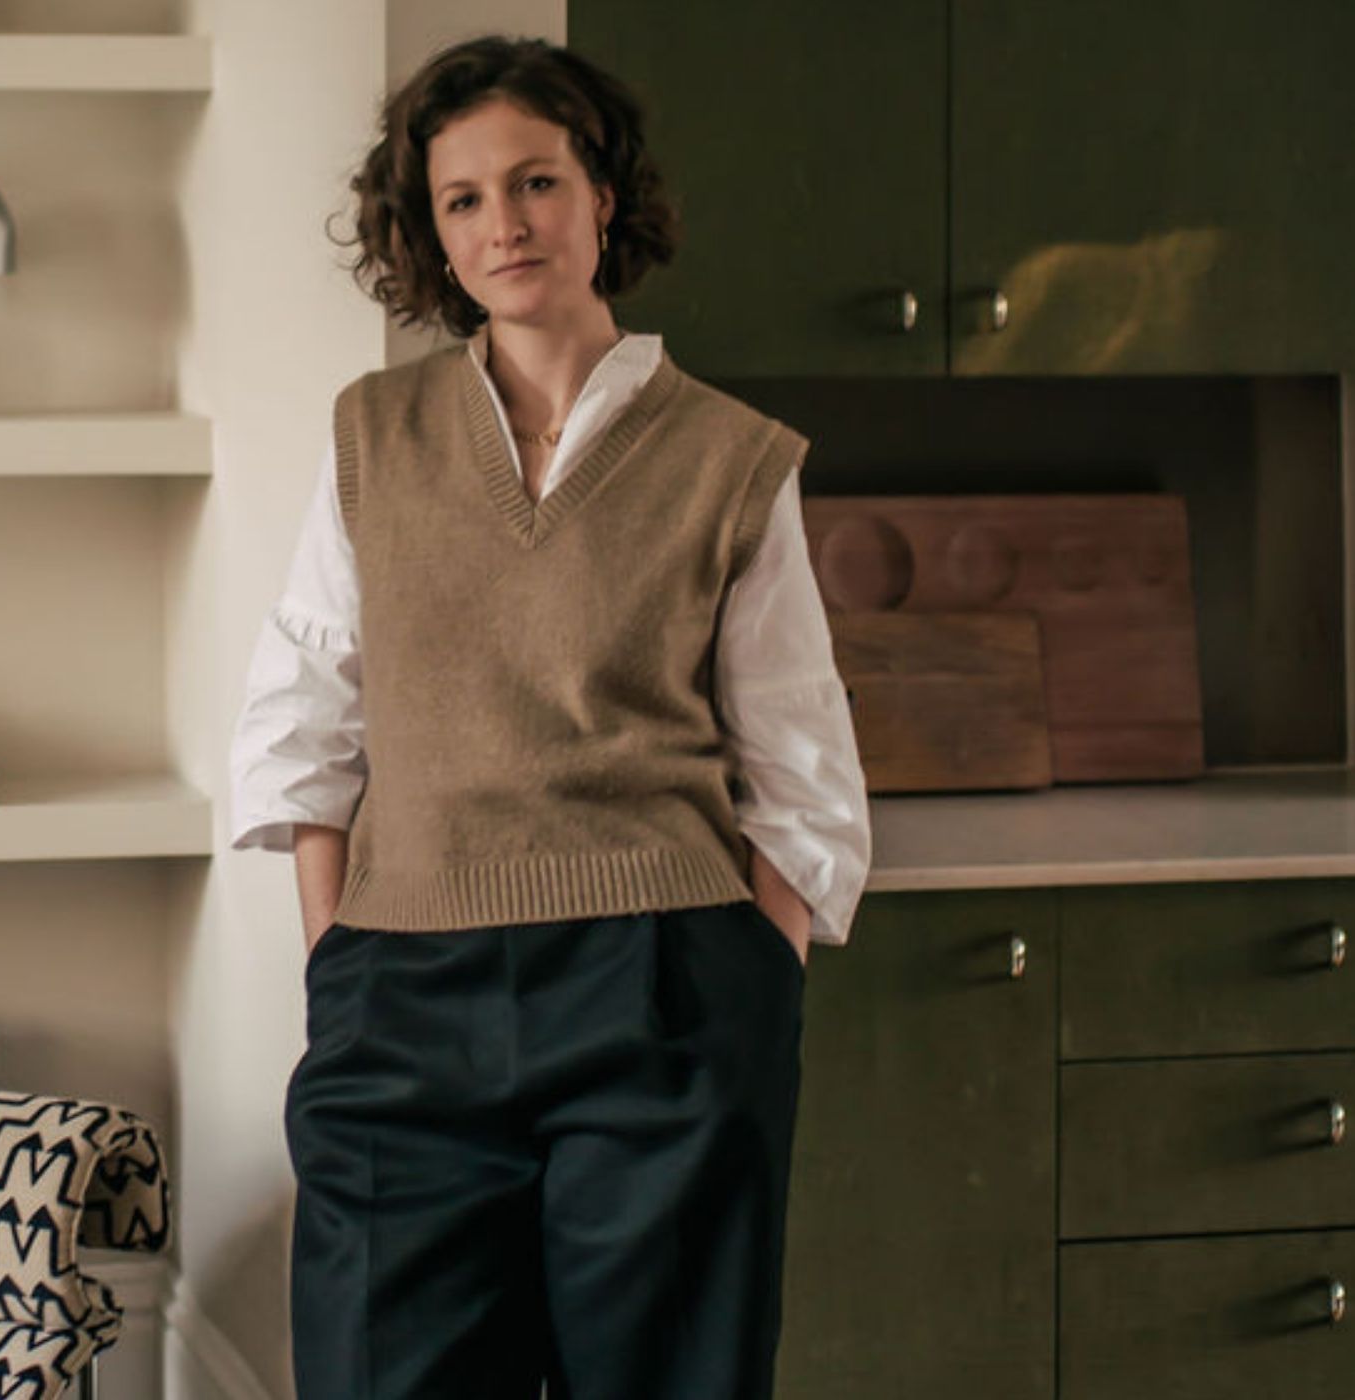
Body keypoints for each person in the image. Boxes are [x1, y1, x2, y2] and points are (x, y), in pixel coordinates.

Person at [225, 35, 874, 1400]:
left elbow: (800, 760)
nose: (504, 223)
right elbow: (306, 719)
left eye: (535, 182)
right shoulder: (373, 437)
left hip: (663, 993)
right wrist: (337, 961)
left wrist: (749, 987)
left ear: (603, 199)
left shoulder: (729, 457)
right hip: (402, 997)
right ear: (432, 235)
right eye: (463, 199)